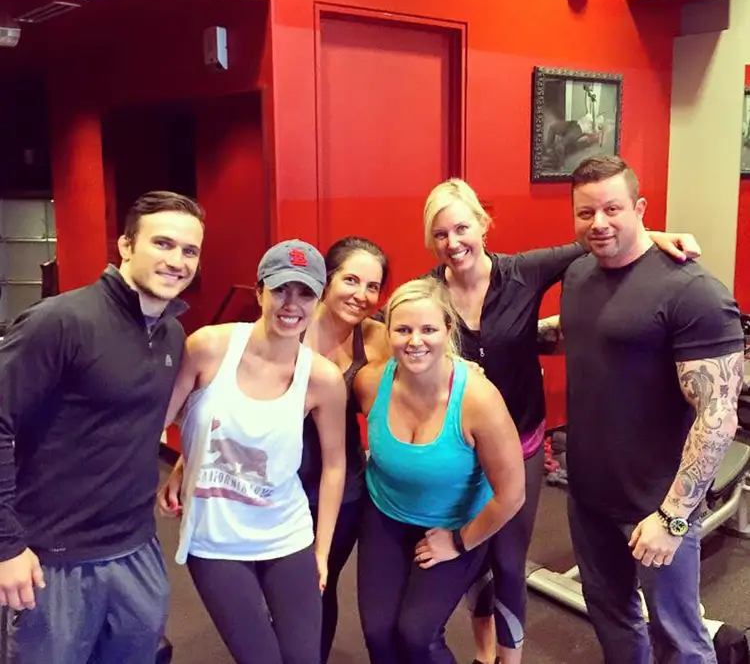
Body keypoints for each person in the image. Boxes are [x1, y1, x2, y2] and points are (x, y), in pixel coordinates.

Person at [421, 177, 701, 664]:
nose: (453, 243)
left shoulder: (523, 272)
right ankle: (484, 654)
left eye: (462, 227)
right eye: (441, 234)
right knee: (474, 561)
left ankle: (510, 661)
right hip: (461, 451)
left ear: (483, 226)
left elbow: (594, 240)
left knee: (509, 562)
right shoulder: (429, 294)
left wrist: (655, 235)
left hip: (522, 446)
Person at [0, 190, 206, 664]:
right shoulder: (60, 322)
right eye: (163, 244)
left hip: (135, 549)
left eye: (189, 250)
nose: (177, 260)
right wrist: (7, 544)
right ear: (126, 246)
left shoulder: (172, 332)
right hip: (54, 559)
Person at [161, 235, 389, 662]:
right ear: (260, 289)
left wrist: (321, 552)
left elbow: (337, 464)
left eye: (305, 292)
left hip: (289, 532)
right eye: (281, 288)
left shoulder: (322, 377)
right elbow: (165, 423)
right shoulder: (208, 346)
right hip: (218, 539)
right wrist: (182, 466)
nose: (292, 303)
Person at [560, 155, 745, 664]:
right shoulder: (578, 275)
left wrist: (675, 516)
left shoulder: (693, 292)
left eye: (613, 208)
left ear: (640, 208)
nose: (598, 223)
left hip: (657, 505)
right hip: (590, 497)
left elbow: (719, 415)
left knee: (679, 639)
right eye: (585, 212)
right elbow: (573, 335)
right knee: (613, 621)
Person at [355, 277, 526, 664]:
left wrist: (459, 541)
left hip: (455, 522)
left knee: (416, 636)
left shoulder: (478, 400)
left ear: (448, 330)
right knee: (378, 634)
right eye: (403, 329)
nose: (415, 340)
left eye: (428, 329)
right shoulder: (370, 383)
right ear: (388, 333)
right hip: (386, 515)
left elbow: (512, 494)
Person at [298, 236, 389, 661]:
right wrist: (190, 459)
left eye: (373, 286)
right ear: (327, 279)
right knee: (275, 588)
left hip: (344, 488)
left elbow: (428, 360)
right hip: (281, 486)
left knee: (321, 583)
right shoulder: (291, 325)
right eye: (351, 280)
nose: (362, 295)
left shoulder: (376, 340)